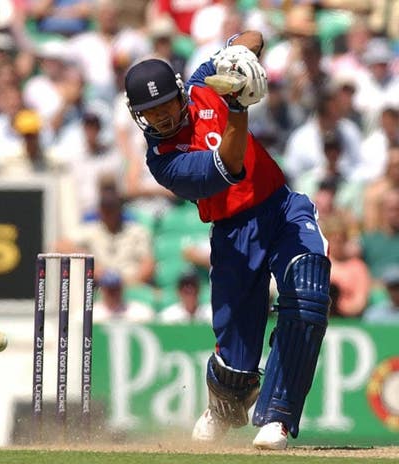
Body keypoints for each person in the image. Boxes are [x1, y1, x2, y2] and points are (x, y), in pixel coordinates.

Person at [123, 31, 331, 450]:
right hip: (234, 234)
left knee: (308, 296)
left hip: (282, 207)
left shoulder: (203, 82)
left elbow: (252, 37)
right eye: (151, 111)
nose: (162, 117)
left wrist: (241, 57)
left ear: (180, 92)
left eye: (166, 103)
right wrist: (237, 104)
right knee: (236, 370)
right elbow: (230, 161)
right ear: (137, 115)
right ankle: (224, 405)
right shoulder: (164, 161)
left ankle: (276, 418)